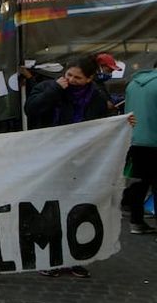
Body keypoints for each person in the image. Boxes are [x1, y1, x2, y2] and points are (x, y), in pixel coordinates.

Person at [24, 56, 125, 277]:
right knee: (51, 210)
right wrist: (54, 91)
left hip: (80, 163)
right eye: (69, 75)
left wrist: (123, 124)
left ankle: (73, 257)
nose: (71, 80)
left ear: (89, 79)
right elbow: (32, 110)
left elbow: (101, 127)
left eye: (78, 77)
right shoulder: (46, 87)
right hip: (50, 161)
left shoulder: (95, 99)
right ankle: (51, 260)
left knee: (76, 210)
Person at [124, 59, 157, 235]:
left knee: (139, 183)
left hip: (135, 139)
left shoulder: (133, 84)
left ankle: (136, 222)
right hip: (155, 140)